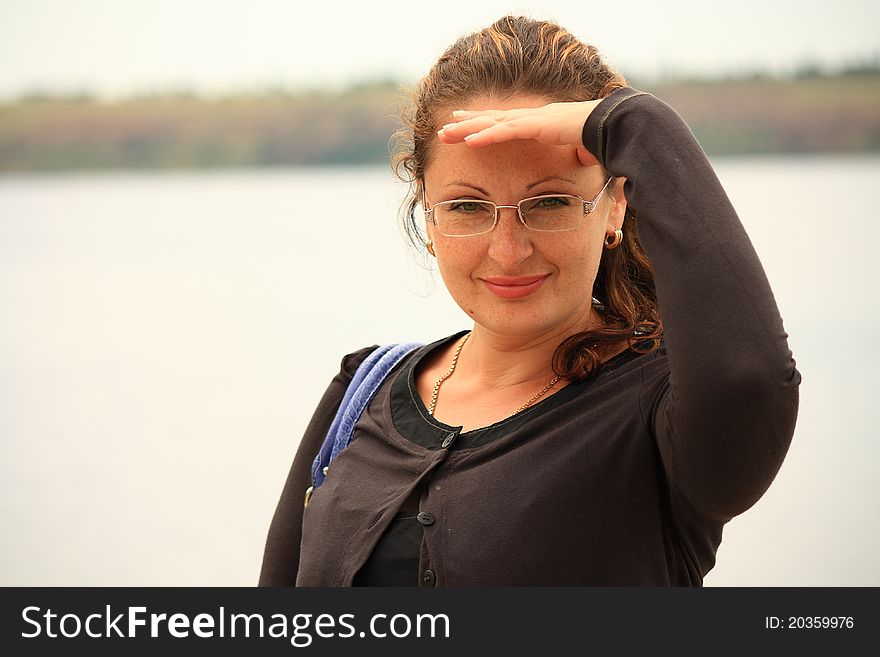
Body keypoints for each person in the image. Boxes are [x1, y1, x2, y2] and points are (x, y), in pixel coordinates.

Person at [258, 16, 801, 586]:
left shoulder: (663, 422)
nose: (510, 251)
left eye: (550, 203)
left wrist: (633, 122)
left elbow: (752, 376)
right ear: (429, 215)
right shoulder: (361, 393)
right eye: (468, 206)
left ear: (614, 206)